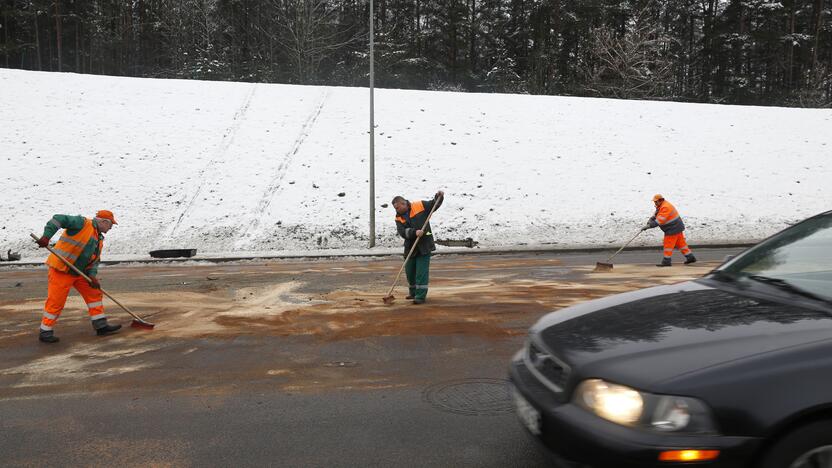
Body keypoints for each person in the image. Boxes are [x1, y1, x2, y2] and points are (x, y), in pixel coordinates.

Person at [34, 210, 122, 343]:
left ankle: (101, 326)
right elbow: (58, 218)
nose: (110, 228)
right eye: (110, 225)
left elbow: (94, 261)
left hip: (80, 272)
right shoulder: (82, 223)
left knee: (94, 293)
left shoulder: (98, 239)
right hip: (61, 269)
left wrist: (92, 276)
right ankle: (45, 331)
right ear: (104, 222)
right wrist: (47, 236)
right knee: (56, 301)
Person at [393, 191, 444, 304]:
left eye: (397, 207)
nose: (396, 210)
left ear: (403, 203)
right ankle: (413, 292)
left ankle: (420, 296)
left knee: (421, 272)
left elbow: (434, 205)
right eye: (395, 208)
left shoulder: (419, 205)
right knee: (410, 271)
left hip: (424, 245)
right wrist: (414, 232)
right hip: (410, 247)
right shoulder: (398, 218)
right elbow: (402, 232)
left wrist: (439, 197)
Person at [642, 194, 697, 267]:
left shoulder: (666, 207)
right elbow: (656, 215)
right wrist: (650, 220)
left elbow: (659, 221)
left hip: (672, 228)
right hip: (676, 227)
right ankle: (690, 257)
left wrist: (649, 226)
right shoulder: (662, 206)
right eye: (654, 202)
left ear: (661, 200)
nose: (655, 203)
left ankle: (666, 261)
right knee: (681, 244)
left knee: (668, 244)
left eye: (656, 202)